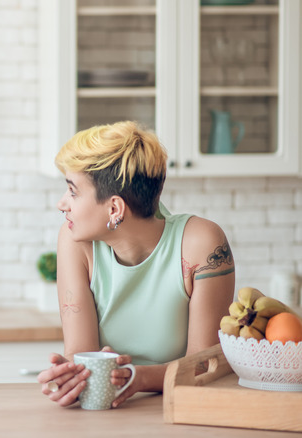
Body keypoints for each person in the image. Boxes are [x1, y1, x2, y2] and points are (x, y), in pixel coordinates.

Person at [37, 121, 235, 408]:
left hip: (183, 409)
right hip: (108, 411)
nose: (61, 203)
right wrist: (71, 375)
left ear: (114, 208)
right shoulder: (75, 242)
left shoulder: (201, 244)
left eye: (73, 191)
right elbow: (80, 352)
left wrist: (138, 378)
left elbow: (204, 365)